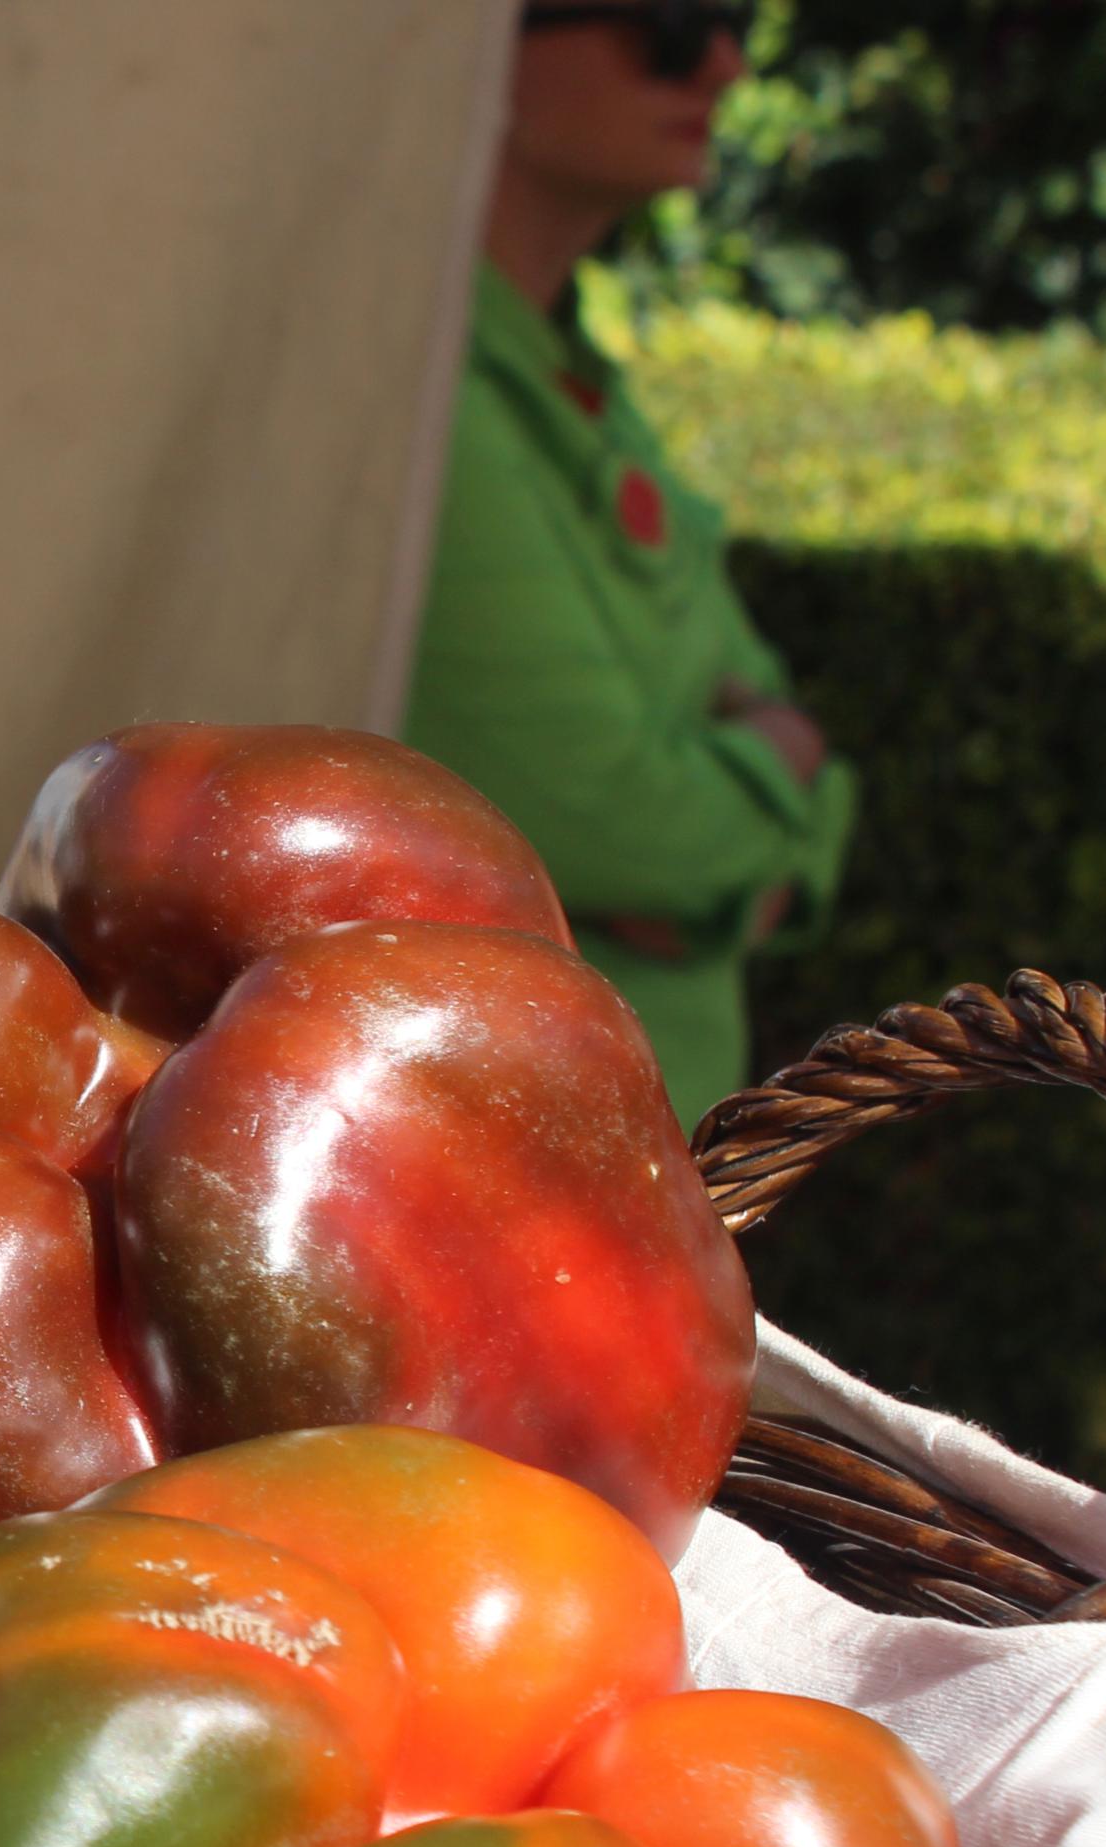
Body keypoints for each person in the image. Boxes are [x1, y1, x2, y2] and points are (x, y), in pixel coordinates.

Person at [404, 0, 856, 1122]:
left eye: (731, 16)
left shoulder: (571, 385)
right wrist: (775, 766)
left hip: (636, 1158)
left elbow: (812, 797)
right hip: (496, 1167)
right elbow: (613, 825)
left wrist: (749, 823)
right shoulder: (423, 409)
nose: (720, 60)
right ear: (477, 43)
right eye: (664, 17)